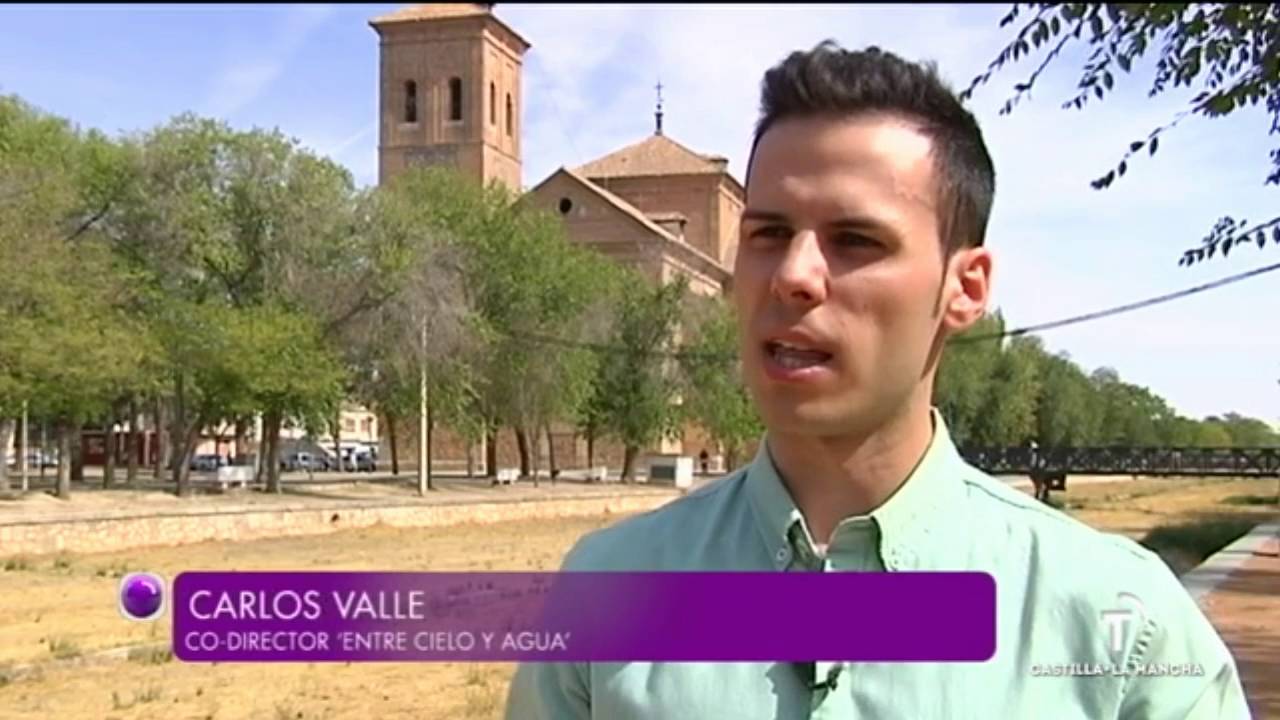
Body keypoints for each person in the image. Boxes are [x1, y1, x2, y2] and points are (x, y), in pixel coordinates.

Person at [505, 42, 1248, 719]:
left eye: (855, 240)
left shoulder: (1124, 630)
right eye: (767, 234)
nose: (793, 275)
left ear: (964, 288)